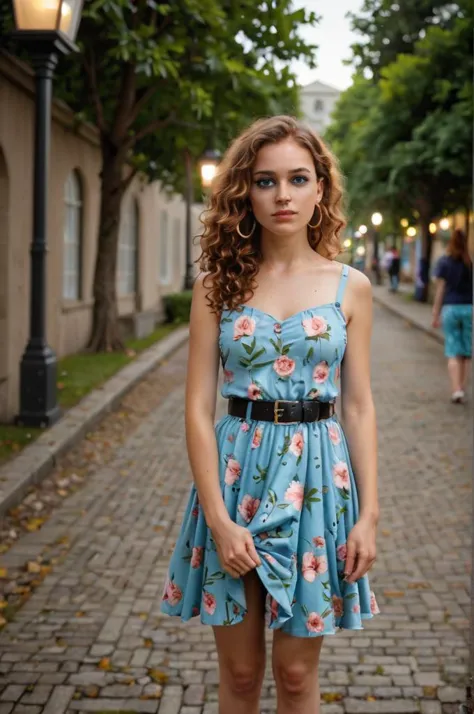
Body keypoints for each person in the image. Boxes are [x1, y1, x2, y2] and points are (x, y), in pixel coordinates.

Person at [160, 115, 380, 714]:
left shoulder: (350, 287)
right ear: (245, 193)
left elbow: (358, 405)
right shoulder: (216, 286)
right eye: (265, 181)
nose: (282, 195)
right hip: (233, 480)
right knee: (237, 673)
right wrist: (218, 519)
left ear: (319, 190)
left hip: (318, 482)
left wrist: (370, 515)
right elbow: (196, 408)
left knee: (293, 673)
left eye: (297, 179)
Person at [432, 228, 472, 404]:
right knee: (465, 351)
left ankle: (455, 389)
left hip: (450, 308)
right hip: (469, 309)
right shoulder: (469, 262)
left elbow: (440, 289)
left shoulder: (445, 262)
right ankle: (462, 387)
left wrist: (435, 312)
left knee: (453, 350)